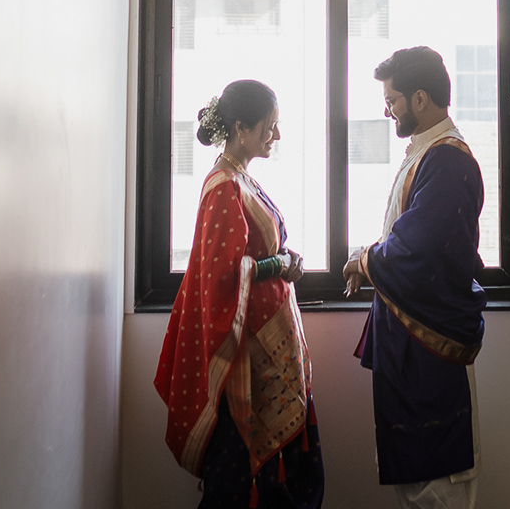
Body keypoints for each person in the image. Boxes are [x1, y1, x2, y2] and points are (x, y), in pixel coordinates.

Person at [156, 79, 325, 509]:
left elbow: (253, 253)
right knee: (240, 475)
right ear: (241, 129)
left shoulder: (241, 179)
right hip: (247, 357)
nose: (276, 135)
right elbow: (224, 276)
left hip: (269, 346)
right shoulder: (223, 186)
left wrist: (283, 259)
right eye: (269, 126)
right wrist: (280, 265)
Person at [342, 46, 487, 509]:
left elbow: (416, 250)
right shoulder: (428, 153)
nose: (388, 110)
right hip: (411, 339)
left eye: (392, 100)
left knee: (438, 483)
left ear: (420, 98)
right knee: (416, 478)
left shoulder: (447, 161)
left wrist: (364, 261)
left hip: (430, 344)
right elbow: (407, 237)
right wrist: (370, 258)